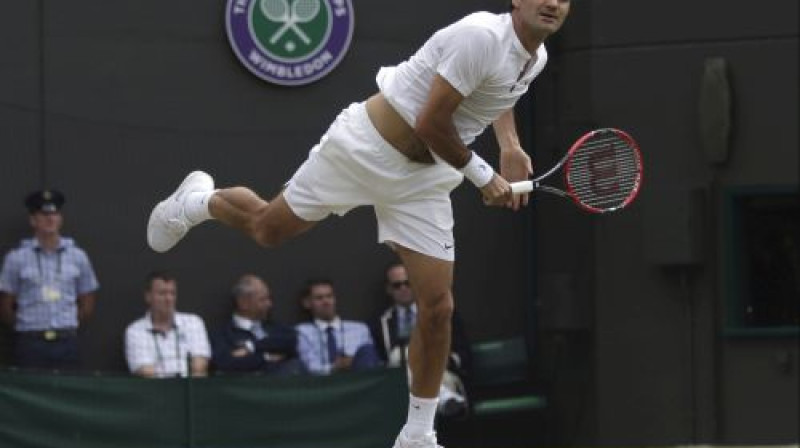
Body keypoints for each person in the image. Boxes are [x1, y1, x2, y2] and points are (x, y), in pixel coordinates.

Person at [145, 0, 570, 445]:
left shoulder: (534, 57)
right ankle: (197, 202)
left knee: (438, 307)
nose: (553, 3)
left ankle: (417, 436)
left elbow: (498, 91)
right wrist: (484, 176)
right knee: (268, 228)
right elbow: (431, 122)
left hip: (424, 182)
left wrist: (510, 145)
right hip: (365, 149)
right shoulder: (480, 36)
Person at [0, 189, 99, 370]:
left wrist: (68, 322)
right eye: (44, 215)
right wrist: (27, 325)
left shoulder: (78, 256)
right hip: (30, 341)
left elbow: (87, 302)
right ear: (33, 220)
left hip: (66, 341)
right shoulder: (16, 258)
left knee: (68, 386)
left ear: (60, 219)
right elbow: (6, 306)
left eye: (54, 214)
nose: (50, 219)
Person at [372, 261, 471, 418]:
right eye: (397, 285)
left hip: (441, 374)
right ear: (389, 289)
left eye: (408, 283)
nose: (403, 288)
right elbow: (381, 363)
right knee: (401, 356)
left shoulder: (441, 313)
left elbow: (464, 353)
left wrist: (446, 360)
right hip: (400, 383)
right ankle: (445, 399)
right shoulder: (380, 324)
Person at [211, 274, 304, 375]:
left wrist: (251, 347)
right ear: (243, 303)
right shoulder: (224, 334)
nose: (269, 304)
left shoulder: (275, 328)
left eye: (269, 299)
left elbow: (289, 341)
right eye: (263, 300)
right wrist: (265, 357)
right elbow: (225, 363)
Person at [125, 271, 211, 378]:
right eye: (162, 293)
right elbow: (146, 372)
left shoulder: (193, 323)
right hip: (155, 388)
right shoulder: (135, 331)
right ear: (148, 297)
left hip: (190, 387)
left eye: (172, 293)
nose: (168, 299)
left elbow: (199, 367)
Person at [295, 278, 380, 375]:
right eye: (319, 298)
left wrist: (353, 361)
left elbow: (370, 361)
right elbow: (309, 367)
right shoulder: (302, 332)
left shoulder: (359, 329)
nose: (326, 301)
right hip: (322, 381)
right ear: (307, 303)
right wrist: (335, 367)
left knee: (367, 351)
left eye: (329, 296)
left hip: (358, 377)